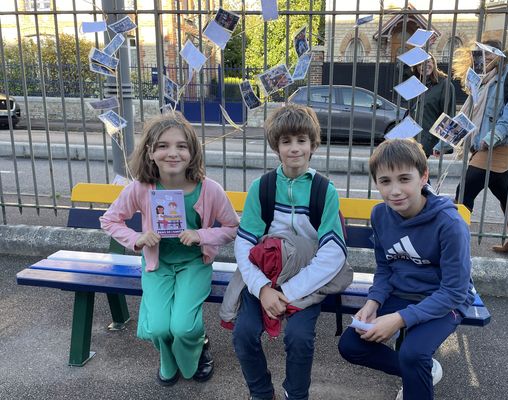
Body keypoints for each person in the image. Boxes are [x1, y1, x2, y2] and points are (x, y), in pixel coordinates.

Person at [100, 111, 240, 386]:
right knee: (159, 327)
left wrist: (200, 235)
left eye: (181, 146)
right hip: (157, 264)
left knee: (183, 326)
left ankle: (198, 348)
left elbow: (233, 228)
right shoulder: (141, 188)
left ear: (192, 152)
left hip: (193, 264)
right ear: (150, 153)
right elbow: (110, 220)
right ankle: (168, 359)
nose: (172, 153)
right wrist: (137, 239)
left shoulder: (209, 189)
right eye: (163, 146)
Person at [338, 138, 475, 400]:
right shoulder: (380, 215)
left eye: (404, 179)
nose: (395, 190)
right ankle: (422, 372)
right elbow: (385, 268)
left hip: (444, 301)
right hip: (402, 293)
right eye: (385, 181)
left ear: (423, 177)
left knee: (414, 353)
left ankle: (417, 370)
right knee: (351, 345)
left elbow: (454, 292)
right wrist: (373, 302)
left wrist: (399, 319)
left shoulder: (449, 223)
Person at [232, 104, 348, 400]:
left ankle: (296, 395)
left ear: (313, 145)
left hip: (306, 275)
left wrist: (289, 290)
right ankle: (261, 392)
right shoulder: (263, 187)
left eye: (301, 141)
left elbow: (333, 251)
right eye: (286, 141)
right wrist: (263, 290)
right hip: (265, 273)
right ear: (276, 146)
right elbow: (244, 243)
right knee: (243, 333)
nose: (294, 148)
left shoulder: (324, 190)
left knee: (300, 338)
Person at [434, 39, 508, 257]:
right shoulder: (478, 82)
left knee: (465, 189)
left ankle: (454, 243)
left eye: (490, 54)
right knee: (502, 189)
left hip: (503, 144)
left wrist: (494, 135)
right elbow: (466, 117)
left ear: (502, 54)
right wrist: (443, 143)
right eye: (480, 54)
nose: (485, 58)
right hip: (483, 146)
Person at [411, 54, 456, 157]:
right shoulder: (417, 85)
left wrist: (443, 145)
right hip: (412, 137)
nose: (424, 66)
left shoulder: (445, 84)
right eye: (420, 64)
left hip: (428, 139)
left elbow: (449, 116)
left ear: (434, 63)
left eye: (428, 62)